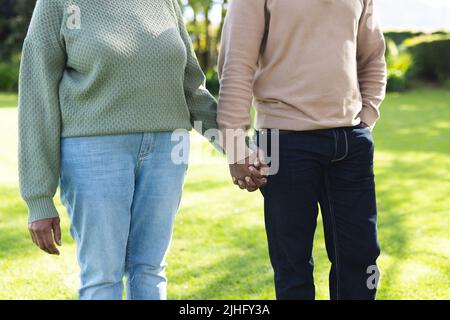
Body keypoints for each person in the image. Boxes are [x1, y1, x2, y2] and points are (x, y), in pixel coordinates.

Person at [19, 0, 219, 300]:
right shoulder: (57, 3)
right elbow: (37, 94)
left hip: (168, 150)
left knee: (150, 270)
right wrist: (38, 198)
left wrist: (240, 146)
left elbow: (192, 88)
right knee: (102, 276)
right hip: (93, 152)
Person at [218, 0, 387, 300]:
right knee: (292, 266)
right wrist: (235, 146)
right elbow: (236, 61)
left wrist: (368, 113)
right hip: (284, 142)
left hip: (351, 143)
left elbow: (372, 53)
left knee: (361, 260)